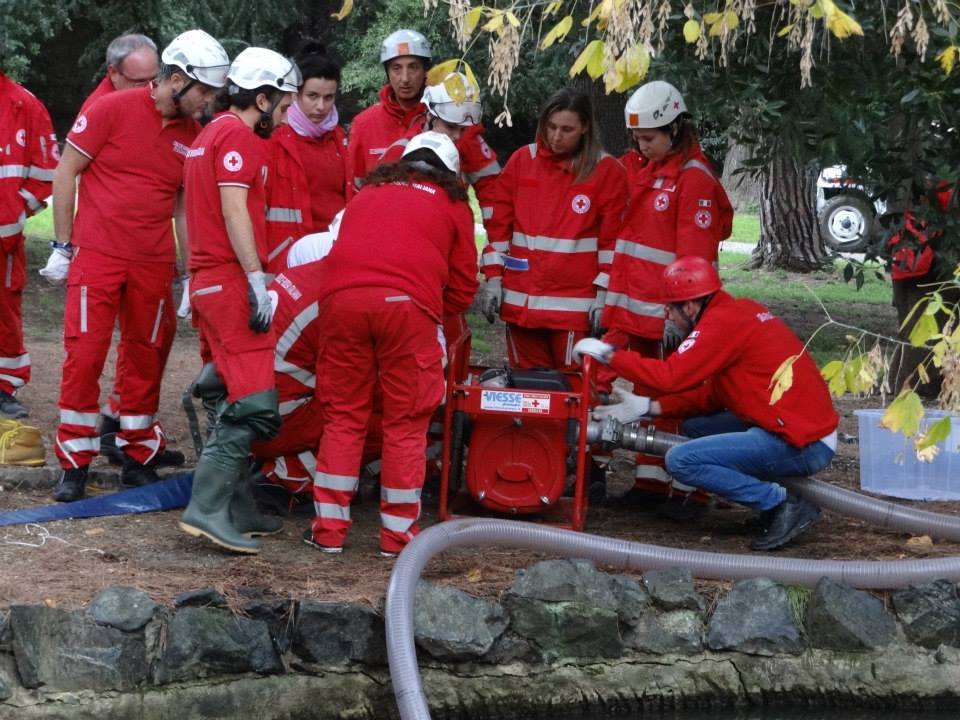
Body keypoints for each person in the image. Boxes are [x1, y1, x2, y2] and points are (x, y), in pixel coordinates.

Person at [49, 30, 230, 502]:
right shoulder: (110, 110)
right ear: (176, 81)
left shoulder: (194, 138)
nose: (208, 102)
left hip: (153, 264)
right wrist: (62, 245)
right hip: (98, 257)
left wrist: (191, 272)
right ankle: (74, 462)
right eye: (204, 92)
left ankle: (136, 455)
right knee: (84, 357)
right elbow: (66, 170)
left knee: (147, 358)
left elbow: (184, 208)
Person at [574, 257, 838, 551]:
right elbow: (714, 396)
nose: (668, 318)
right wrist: (649, 407)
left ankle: (782, 504)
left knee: (681, 460)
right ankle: (773, 501)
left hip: (802, 442)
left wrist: (609, 354)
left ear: (689, 307)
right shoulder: (736, 313)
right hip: (795, 426)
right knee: (696, 428)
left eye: (670, 309)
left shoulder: (720, 324)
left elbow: (670, 377)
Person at [306, 131, 478, 556]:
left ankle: (328, 531)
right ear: (450, 173)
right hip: (406, 308)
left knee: (344, 416)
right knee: (405, 422)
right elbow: (462, 286)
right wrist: (432, 307)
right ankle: (397, 536)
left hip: (341, 303)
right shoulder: (452, 205)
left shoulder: (367, 194)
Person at [178, 47, 300, 554]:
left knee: (233, 393)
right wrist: (256, 278)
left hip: (209, 281)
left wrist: (190, 275)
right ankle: (205, 509)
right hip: (229, 283)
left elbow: (190, 209)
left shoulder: (207, 136)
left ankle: (239, 506)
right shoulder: (237, 137)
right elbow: (234, 210)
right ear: (263, 97)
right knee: (253, 404)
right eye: (286, 102)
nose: (289, 113)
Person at [599, 80, 733, 500]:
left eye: (649, 138)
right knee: (640, 393)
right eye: (636, 138)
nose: (641, 146)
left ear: (674, 129)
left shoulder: (693, 180)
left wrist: (681, 315)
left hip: (665, 315)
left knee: (673, 397)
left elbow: (693, 261)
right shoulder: (643, 170)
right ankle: (650, 482)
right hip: (634, 311)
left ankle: (680, 489)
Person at [479, 87, 627, 371]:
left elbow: (614, 243)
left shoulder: (607, 171)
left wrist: (603, 298)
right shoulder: (522, 162)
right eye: (551, 127)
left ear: (585, 127)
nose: (557, 137)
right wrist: (494, 280)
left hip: (574, 312)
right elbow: (498, 232)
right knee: (526, 394)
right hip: (522, 306)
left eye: (567, 129)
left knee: (570, 397)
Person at [0, 71, 57, 419]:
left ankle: (3, 388)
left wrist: (15, 211)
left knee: (5, 314)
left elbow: (47, 171)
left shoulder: (25, 104)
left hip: (4, 239)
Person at [264, 42, 349, 271]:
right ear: (296, 94)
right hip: (290, 255)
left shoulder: (340, 139)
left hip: (336, 251)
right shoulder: (275, 139)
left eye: (329, 97)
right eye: (312, 96)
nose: (321, 106)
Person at [347, 29, 432, 189]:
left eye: (413, 67)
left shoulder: (445, 117)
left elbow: (486, 178)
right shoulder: (364, 124)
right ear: (387, 72)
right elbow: (354, 187)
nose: (405, 78)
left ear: (425, 70)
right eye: (396, 68)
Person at [79, 34, 160, 115]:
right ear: (114, 73)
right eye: (140, 82)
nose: (150, 89)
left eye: (154, 79)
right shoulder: (97, 111)